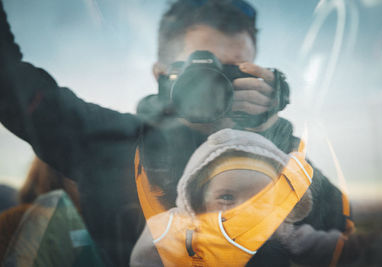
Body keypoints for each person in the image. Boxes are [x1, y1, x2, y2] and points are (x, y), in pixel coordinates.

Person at [0, 0, 352, 266]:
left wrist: (268, 136)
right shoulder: (111, 143)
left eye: (233, 72)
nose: (216, 85)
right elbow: (10, 85)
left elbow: (343, 233)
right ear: (160, 74)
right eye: (202, 67)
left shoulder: (271, 151)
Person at [131, 129, 359, 267]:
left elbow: (311, 244)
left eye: (261, 198)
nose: (246, 208)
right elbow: (146, 258)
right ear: (197, 200)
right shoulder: (179, 229)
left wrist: (347, 247)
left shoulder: (275, 229)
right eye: (227, 196)